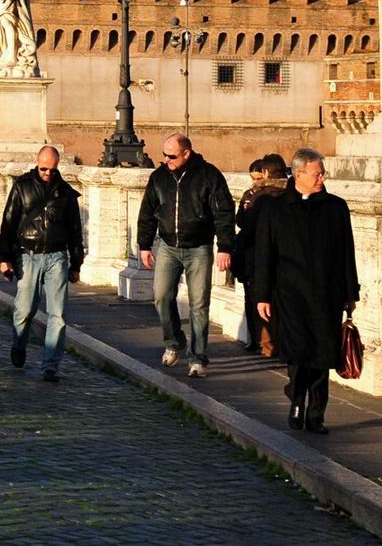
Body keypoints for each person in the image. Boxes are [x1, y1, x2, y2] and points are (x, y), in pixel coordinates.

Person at [253, 148, 358, 434]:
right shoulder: (275, 209)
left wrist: (351, 292)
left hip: (328, 292)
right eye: (317, 173)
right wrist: (262, 294)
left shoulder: (335, 207)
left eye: (323, 173)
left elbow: (346, 252)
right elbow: (264, 254)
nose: (322, 178)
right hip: (291, 293)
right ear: (298, 174)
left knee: (323, 353)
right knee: (299, 352)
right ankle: (297, 401)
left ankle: (316, 413)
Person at [136, 133, 234, 378]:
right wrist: (144, 245)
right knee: (161, 296)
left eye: (171, 156)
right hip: (168, 246)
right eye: (164, 155)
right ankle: (174, 340)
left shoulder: (209, 176)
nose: (166, 160)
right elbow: (147, 212)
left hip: (199, 247)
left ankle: (198, 358)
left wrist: (224, 247)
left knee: (199, 305)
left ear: (186, 154)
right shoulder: (159, 178)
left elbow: (224, 212)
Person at [0, 144, 84, 381]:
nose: (47, 173)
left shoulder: (65, 193)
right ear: (37, 162)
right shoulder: (21, 187)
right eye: (44, 168)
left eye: (52, 169)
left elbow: (75, 230)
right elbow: (8, 223)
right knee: (24, 310)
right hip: (28, 254)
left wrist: (76, 264)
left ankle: (50, 365)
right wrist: (5, 258)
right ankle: (19, 343)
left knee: (58, 315)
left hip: (57, 256)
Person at [234, 153, 290, 357]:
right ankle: (281, 344)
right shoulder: (293, 193)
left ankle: (266, 344)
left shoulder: (258, 197)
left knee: (259, 300)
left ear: (266, 172)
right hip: (287, 259)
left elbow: (244, 225)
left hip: (258, 256)